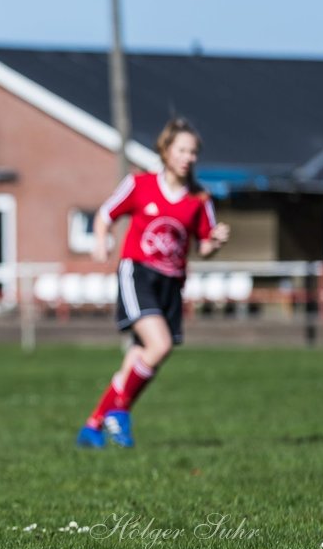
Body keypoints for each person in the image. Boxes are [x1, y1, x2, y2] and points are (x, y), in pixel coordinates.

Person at [76, 117, 230, 448]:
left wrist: (214, 242)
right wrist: (101, 240)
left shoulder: (200, 199)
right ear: (165, 151)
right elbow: (105, 214)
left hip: (172, 283)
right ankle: (119, 413)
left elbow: (203, 247)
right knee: (158, 346)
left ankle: (93, 426)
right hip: (138, 274)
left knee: (141, 358)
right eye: (182, 150)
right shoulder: (139, 185)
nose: (188, 157)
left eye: (193, 152)